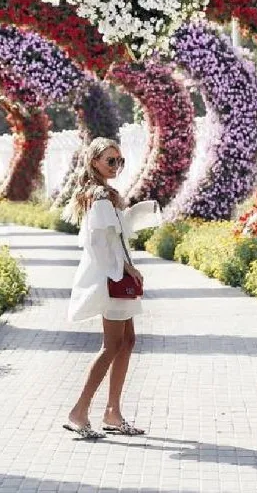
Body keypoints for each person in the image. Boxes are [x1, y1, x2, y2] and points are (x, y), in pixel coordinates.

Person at [62, 137, 160, 440]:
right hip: (111, 280)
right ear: (94, 162)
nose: (116, 166)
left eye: (120, 160)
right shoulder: (100, 197)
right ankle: (79, 412)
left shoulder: (105, 196)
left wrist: (136, 214)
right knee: (111, 345)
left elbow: (115, 234)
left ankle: (112, 413)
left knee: (127, 341)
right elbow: (96, 243)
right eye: (110, 160)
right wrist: (123, 269)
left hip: (115, 278)